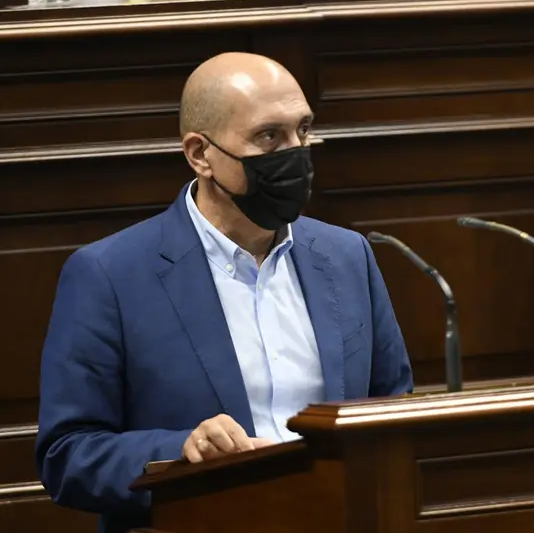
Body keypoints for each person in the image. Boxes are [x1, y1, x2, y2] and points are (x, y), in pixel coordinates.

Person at [35, 52, 413, 533]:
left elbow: (395, 413)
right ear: (200, 154)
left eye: (303, 130)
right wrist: (183, 451)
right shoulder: (108, 275)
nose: (296, 152)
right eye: (268, 136)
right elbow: (67, 455)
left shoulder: (346, 255)